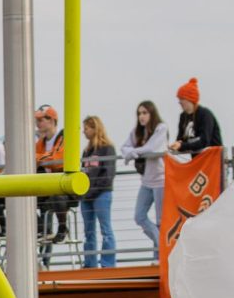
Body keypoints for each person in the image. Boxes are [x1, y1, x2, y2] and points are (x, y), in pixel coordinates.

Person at [120, 101, 169, 261]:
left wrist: (133, 153)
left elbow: (152, 148)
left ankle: (158, 256)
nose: (141, 116)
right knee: (139, 216)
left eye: (145, 113)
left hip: (161, 179)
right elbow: (124, 147)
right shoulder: (137, 132)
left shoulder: (161, 128)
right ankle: (160, 245)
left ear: (152, 113)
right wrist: (132, 152)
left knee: (161, 220)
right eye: (139, 113)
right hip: (146, 181)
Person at [35, 104, 75, 260]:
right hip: (48, 187)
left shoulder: (64, 136)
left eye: (41, 119)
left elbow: (57, 160)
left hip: (66, 188)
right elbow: (34, 157)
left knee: (57, 199)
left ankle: (63, 228)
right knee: (25, 200)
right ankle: (43, 256)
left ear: (52, 120)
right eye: (37, 120)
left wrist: (42, 158)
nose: (38, 123)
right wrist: (45, 158)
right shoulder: (42, 142)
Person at [80, 115, 117, 268]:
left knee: (105, 229)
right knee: (89, 231)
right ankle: (90, 263)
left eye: (86, 128)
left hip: (101, 194)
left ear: (95, 129)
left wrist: (91, 191)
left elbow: (107, 175)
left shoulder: (107, 148)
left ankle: (108, 264)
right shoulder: (87, 151)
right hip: (86, 196)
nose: (84, 132)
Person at [168, 78, 223, 156]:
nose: (179, 102)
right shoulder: (183, 117)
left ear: (190, 99)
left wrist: (182, 145)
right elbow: (181, 139)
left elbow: (204, 141)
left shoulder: (205, 114)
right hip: (196, 160)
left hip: (211, 159)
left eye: (182, 98)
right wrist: (177, 145)